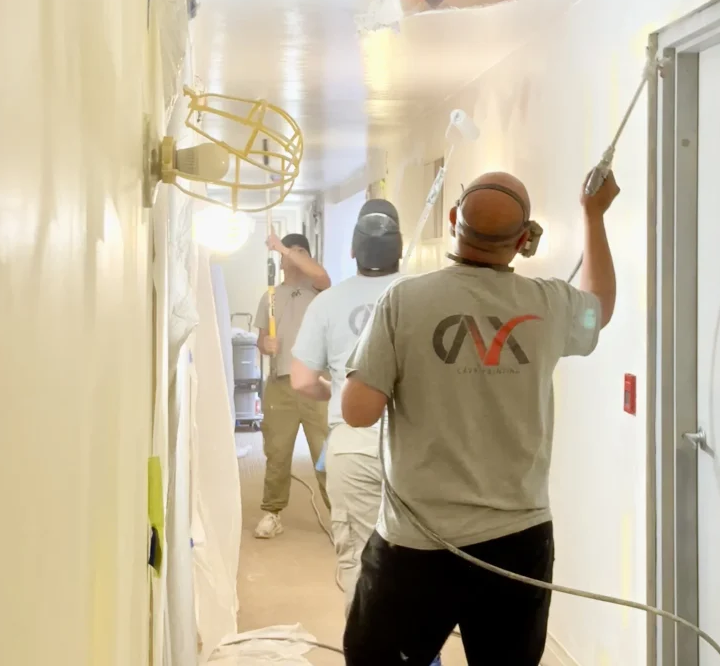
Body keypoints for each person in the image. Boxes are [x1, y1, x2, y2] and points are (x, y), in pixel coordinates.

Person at [339, 170, 619, 665]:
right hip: (519, 542)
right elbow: (600, 306)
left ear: (453, 221)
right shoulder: (550, 304)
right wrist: (593, 215)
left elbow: (358, 412)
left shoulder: (404, 301)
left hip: (416, 544)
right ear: (526, 240)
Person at [291, 198, 444, 666]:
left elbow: (300, 380)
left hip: (354, 446)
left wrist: (337, 393)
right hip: (421, 447)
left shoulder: (328, 302)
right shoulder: (429, 293)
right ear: (400, 249)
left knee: (360, 557)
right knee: (423, 558)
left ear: (355, 252)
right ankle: (423, 657)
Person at [252, 231, 332, 539]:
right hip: (280, 386)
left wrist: (284, 248)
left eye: (302, 252)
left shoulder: (318, 288)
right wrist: (265, 344)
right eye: (290, 253)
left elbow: (321, 274)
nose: (294, 257)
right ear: (281, 263)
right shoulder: (270, 296)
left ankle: (342, 520)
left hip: (316, 384)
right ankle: (272, 513)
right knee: (278, 453)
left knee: (325, 455)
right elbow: (261, 340)